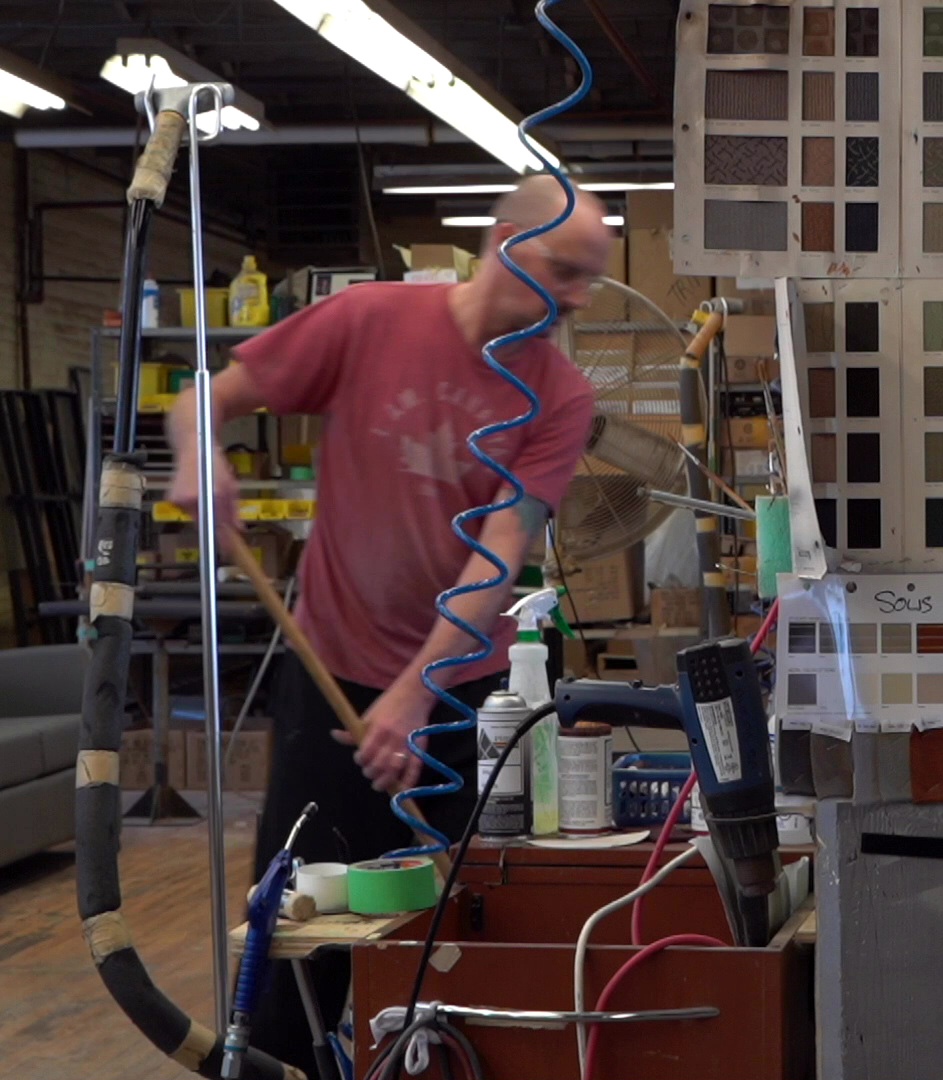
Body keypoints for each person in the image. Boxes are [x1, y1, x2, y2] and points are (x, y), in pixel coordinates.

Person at [165, 176, 607, 1072]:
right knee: (298, 934)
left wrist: (419, 690)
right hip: (330, 675)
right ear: (503, 240)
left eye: (587, 280)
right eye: (563, 270)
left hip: (461, 703)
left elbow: (503, 547)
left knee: (450, 943)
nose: (571, 299)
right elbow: (200, 399)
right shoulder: (368, 321)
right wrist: (199, 454)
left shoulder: (558, 396)